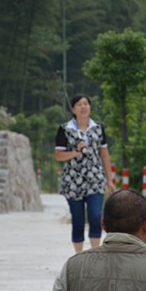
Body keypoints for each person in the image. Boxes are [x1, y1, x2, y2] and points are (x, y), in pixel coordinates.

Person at [55, 94, 116, 253]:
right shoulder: (65, 129)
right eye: (79, 104)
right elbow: (59, 156)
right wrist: (76, 151)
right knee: (78, 220)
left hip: (95, 179)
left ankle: (94, 254)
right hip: (73, 181)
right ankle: (79, 256)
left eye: (86, 104)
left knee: (95, 216)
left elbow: (104, 154)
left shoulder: (98, 128)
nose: (83, 107)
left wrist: (109, 179)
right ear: (73, 109)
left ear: (90, 107)